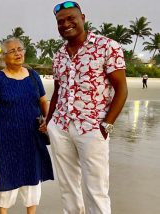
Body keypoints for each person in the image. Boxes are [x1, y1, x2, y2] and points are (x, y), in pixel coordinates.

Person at [47, 2, 128, 214]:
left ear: (82, 17)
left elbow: (121, 89)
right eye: (60, 21)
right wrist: (49, 124)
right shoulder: (59, 55)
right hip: (61, 126)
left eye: (70, 18)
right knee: (67, 186)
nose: (65, 24)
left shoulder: (108, 46)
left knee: (97, 188)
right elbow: (57, 92)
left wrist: (106, 126)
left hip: (93, 127)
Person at [0, 38, 54, 214]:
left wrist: (47, 121)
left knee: (32, 176)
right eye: (12, 51)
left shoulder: (33, 76)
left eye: (20, 49)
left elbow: (43, 101)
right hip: (5, 138)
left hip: (32, 135)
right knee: (6, 175)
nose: (17, 53)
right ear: (4, 57)